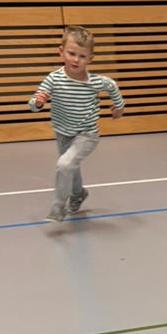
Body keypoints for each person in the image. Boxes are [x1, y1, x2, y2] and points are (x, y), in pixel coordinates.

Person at [28, 26, 124, 222]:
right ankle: (78, 194)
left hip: (87, 134)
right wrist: (38, 103)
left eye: (82, 56)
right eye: (71, 53)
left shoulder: (95, 82)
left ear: (90, 59)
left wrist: (118, 107)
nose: (76, 59)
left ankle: (58, 208)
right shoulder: (54, 79)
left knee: (65, 164)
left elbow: (112, 86)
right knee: (71, 167)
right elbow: (33, 103)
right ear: (61, 51)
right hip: (63, 133)